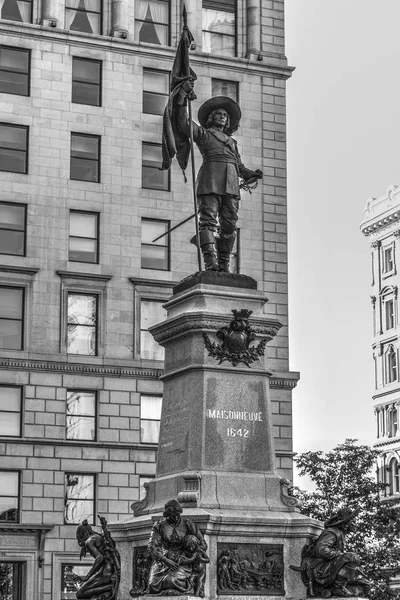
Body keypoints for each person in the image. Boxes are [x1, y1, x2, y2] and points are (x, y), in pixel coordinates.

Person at [176, 83, 263, 272]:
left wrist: (251, 174)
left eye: (225, 115)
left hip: (231, 185)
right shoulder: (204, 134)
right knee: (208, 221)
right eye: (218, 114)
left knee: (229, 225)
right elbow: (183, 123)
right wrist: (183, 97)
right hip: (210, 180)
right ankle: (210, 262)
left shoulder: (232, 142)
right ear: (211, 117)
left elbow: (239, 166)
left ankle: (224, 265)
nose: (222, 117)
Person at [291, 507, 370, 598]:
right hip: (321, 568)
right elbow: (321, 550)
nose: (355, 524)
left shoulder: (340, 533)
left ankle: (345, 585)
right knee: (351, 556)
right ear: (346, 523)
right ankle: (338, 587)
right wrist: (341, 555)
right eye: (353, 521)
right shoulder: (332, 533)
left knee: (361, 584)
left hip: (329, 565)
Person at [147, 499, 209, 596]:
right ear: (167, 514)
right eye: (173, 515)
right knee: (152, 585)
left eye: (178, 514)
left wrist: (193, 552)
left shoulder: (188, 524)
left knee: (171, 580)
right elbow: (151, 547)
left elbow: (203, 544)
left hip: (182, 560)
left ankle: (190, 582)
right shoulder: (159, 526)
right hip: (164, 559)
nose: (176, 517)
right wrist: (166, 560)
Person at [75, 518, 120, 600]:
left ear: (81, 534)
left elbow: (100, 558)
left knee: (80, 594)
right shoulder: (97, 536)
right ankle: (108, 588)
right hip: (108, 570)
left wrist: (88, 576)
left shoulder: (89, 541)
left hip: (106, 572)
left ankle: (108, 588)